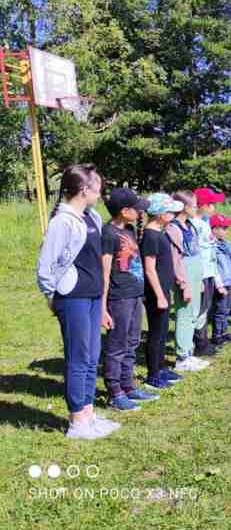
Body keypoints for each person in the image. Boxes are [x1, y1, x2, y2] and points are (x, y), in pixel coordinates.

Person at [37, 164, 121, 440]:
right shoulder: (63, 221)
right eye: (98, 187)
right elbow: (46, 265)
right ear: (85, 190)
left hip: (93, 295)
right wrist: (52, 296)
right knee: (78, 357)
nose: (101, 193)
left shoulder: (92, 217)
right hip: (72, 297)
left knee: (91, 356)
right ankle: (76, 422)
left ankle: (88, 414)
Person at [100, 188, 158, 412]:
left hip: (135, 294)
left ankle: (128, 385)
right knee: (117, 345)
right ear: (124, 211)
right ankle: (114, 392)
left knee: (133, 342)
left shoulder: (131, 229)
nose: (141, 212)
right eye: (137, 208)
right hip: (118, 298)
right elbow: (105, 272)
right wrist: (103, 308)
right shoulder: (108, 234)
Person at [140, 193, 186, 391]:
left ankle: (161, 367)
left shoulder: (160, 232)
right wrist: (159, 295)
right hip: (155, 292)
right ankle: (153, 374)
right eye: (169, 210)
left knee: (162, 331)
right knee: (156, 333)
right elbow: (149, 268)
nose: (173, 213)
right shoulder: (150, 236)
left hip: (164, 289)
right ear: (159, 214)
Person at [167, 191, 210, 373]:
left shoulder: (190, 225)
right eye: (193, 205)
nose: (196, 208)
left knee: (194, 314)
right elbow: (175, 259)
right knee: (184, 314)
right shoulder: (173, 228)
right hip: (184, 275)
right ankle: (182, 356)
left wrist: (199, 279)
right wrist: (183, 284)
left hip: (195, 274)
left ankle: (189, 351)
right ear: (184, 207)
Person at [193, 187, 225, 357]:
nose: (214, 207)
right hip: (200, 274)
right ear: (202, 205)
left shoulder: (205, 222)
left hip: (209, 272)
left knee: (205, 308)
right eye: (211, 204)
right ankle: (199, 343)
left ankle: (202, 341)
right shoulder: (195, 225)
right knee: (199, 310)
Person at [209, 214, 231, 344]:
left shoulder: (225, 243)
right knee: (220, 309)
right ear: (214, 229)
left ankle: (224, 331)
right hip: (220, 282)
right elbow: (214, 265)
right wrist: (219, 284)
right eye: (223, 228)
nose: (226, 231)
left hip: (228, 280)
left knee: (227, 308)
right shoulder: (212, 246)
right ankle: (217, 335)